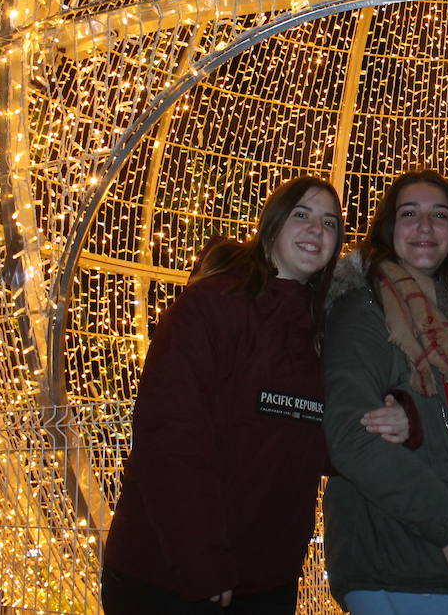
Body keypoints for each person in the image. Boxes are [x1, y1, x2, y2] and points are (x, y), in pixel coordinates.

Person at [101, 177, 411, 614]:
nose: (315, 229)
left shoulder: (323, 333)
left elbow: (321, 444)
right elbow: (170, 440)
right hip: (169, 576)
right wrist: (201, 562)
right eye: (301, 215)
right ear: (271, 224)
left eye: (329, 223)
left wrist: (400, 418)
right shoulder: (209, 307)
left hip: (268, 581)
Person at [322, 169, 448, 614]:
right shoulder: (364, 309)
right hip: (403, 546)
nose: (424, 227)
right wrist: (447, 527)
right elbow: (352, 436)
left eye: (439, 215)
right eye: (409, 214)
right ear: (389, 227)